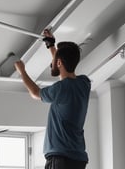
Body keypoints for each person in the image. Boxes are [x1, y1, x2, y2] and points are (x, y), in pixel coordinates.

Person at [14, 29, 90, 169]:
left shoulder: (61, 88)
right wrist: (51, 46)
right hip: (77, 159)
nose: (52, 63)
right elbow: (63, 65)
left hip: (61, 159)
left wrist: (22, 71)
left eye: (55, 61)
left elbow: (35, 92)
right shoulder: (84, 83)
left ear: (59, 62)